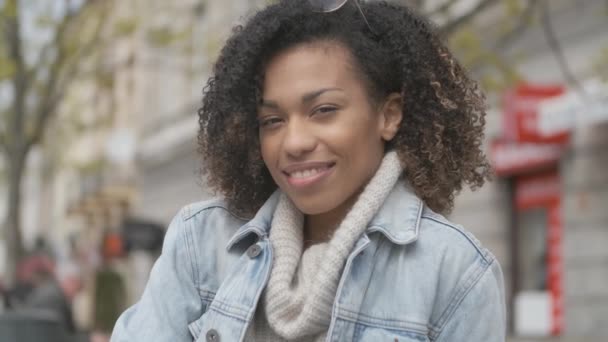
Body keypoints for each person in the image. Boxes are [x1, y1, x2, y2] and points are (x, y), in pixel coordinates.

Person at [111, 1, 506, 341]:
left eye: (324, 111)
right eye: (272, 120)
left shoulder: (457, 273)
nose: (294, 142)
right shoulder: (201, 244)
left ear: (389, 116)